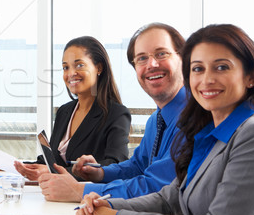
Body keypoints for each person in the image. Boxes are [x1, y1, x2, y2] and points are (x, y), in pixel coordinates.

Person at [77, 24, 254, 215]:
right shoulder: (210, 132)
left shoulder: (252, 133)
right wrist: (105, 206)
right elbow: (168, 197)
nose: (207, 79)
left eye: (222, 67)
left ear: (251, 76)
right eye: (198, 69)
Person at [38, 23, 186, 202]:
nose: (151, 64)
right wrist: (99, 172)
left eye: (161, 54)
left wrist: (80, 191)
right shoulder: (156, 119)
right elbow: (137, 166)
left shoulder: (193, 117)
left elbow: (156, 185)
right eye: (141, 58)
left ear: (183, 58)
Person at [14, 36, 130, 181]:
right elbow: (50, 163)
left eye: (79, 65)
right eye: (65, 67)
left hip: (89, 196)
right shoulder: (64, 111)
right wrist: (7, 165)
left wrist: (54, 173)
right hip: (57, 196)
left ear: (99, 67)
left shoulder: (116, 113)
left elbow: (115, 165)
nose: (70, 73)